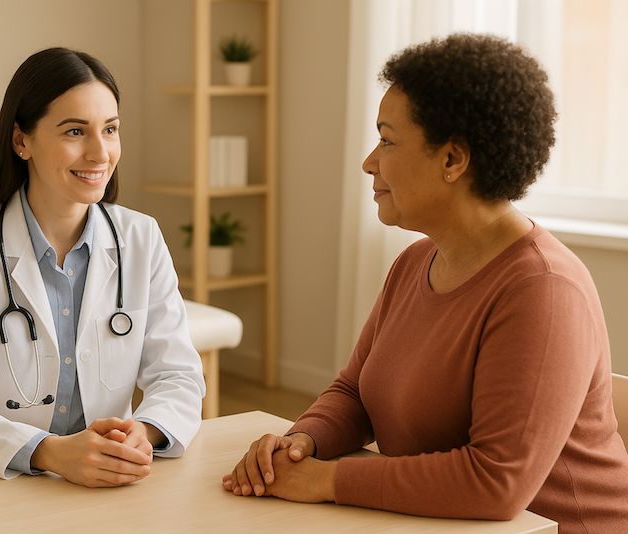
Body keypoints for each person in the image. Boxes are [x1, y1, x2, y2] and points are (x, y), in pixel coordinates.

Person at [222, 33, 628, 533]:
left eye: (388, 140)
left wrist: (327, 481)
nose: (370, 161)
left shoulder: (544, 290)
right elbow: (354, 391)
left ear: (453, 160)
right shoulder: (416, 261)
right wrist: (304, 440)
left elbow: (495, 484)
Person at [0, 47, 205, 488]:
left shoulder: (141, 238)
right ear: (21, 140)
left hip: (110, 486)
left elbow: (178, 375)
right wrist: (52, 453)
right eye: (74, 131)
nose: (100, 152)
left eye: (110, 129)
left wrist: (143, 433)